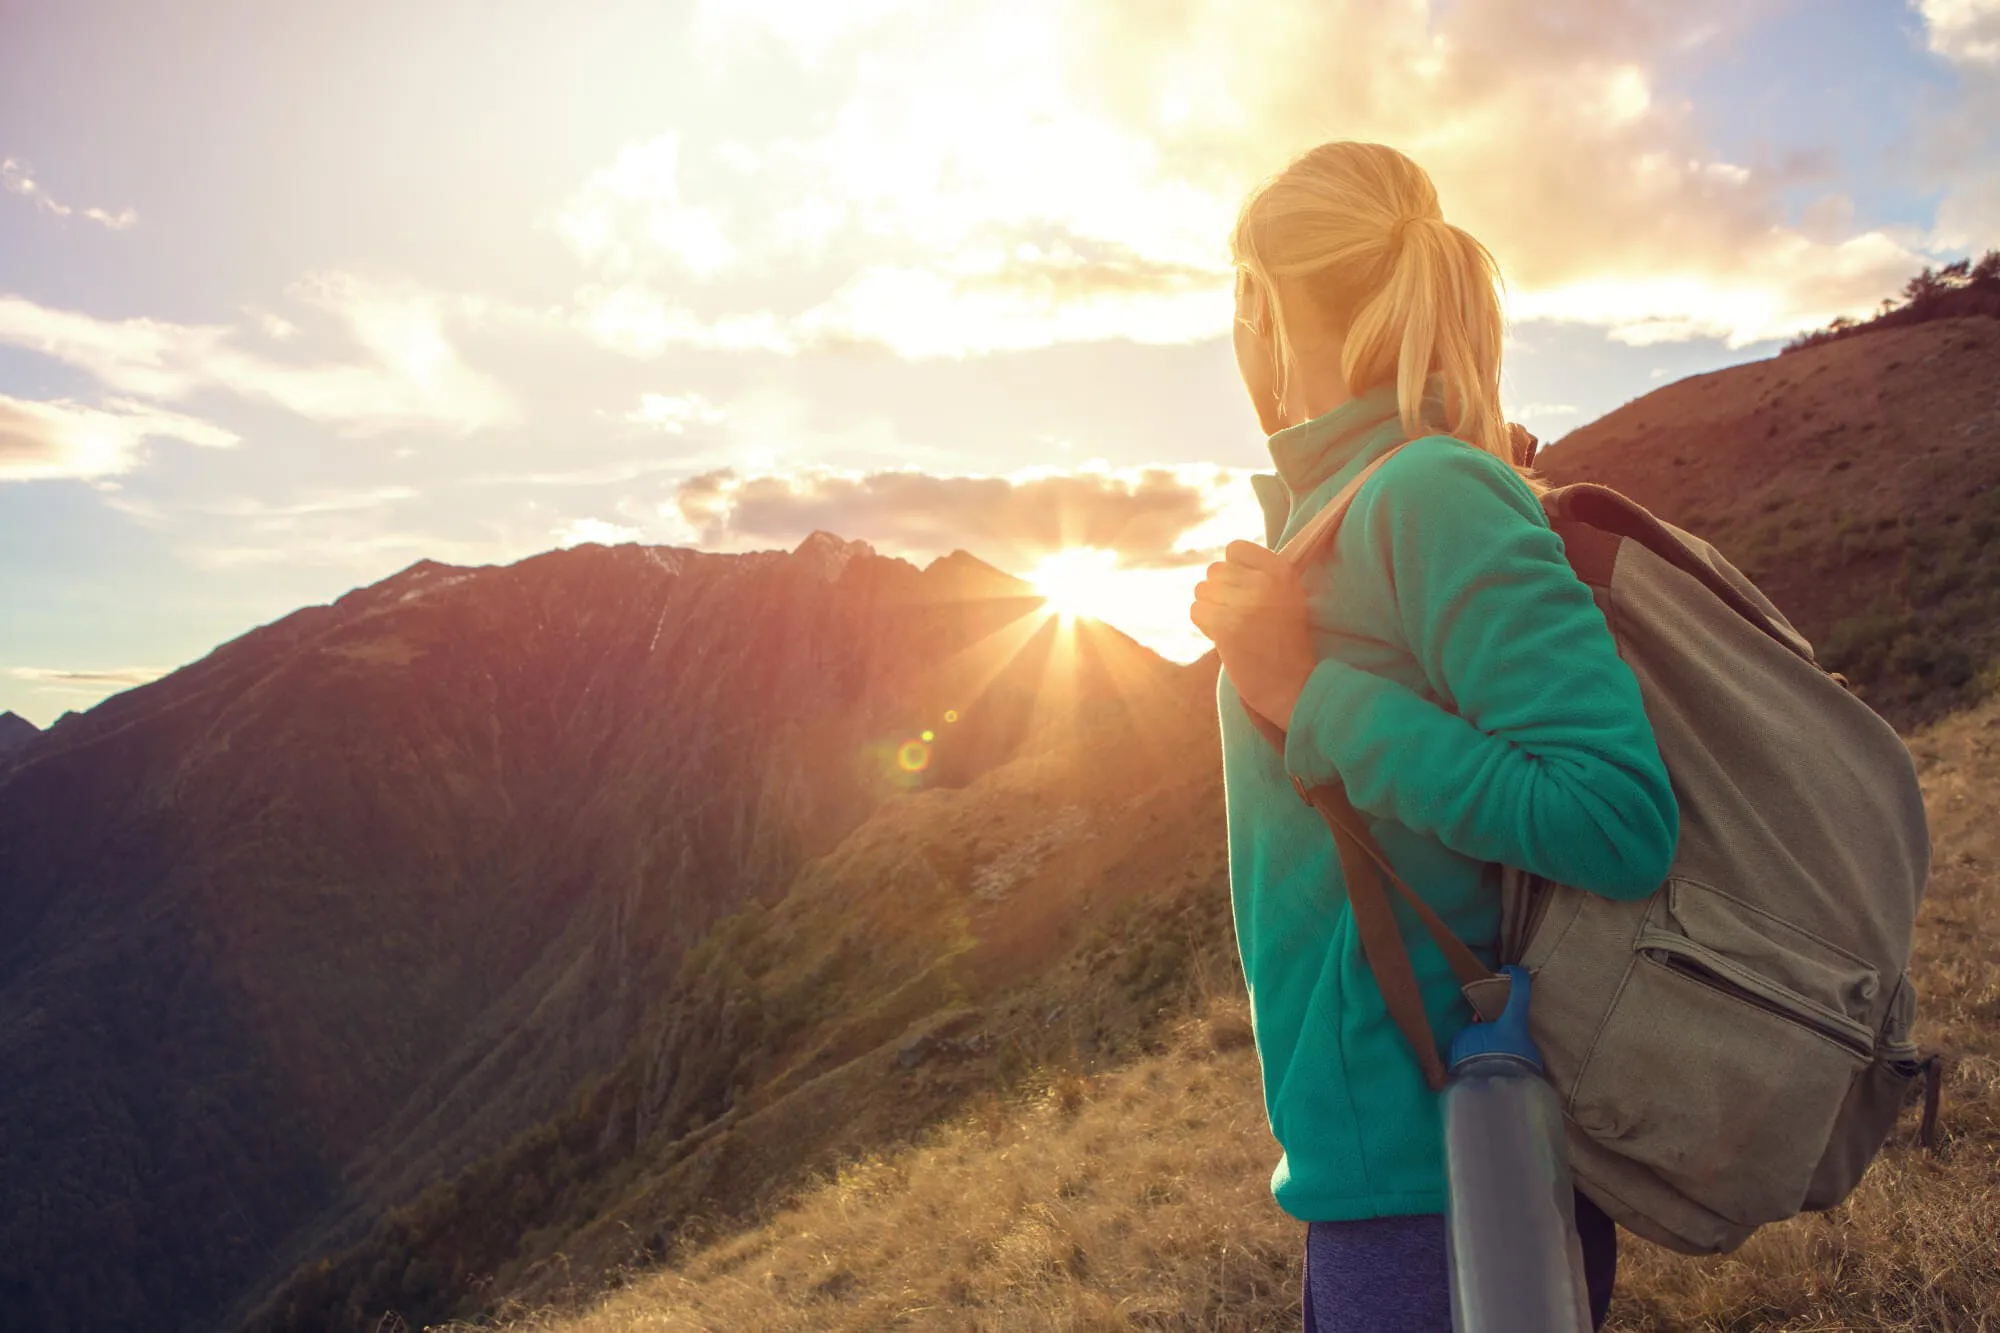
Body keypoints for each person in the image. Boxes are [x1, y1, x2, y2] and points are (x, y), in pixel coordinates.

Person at [1189, 140, 1680, 1332]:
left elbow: (1613, 815)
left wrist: (1308, 696)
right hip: (1383, 1159)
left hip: (1455, 1164)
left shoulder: (1426, 496)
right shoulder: (1346, 507)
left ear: (1260, 301)